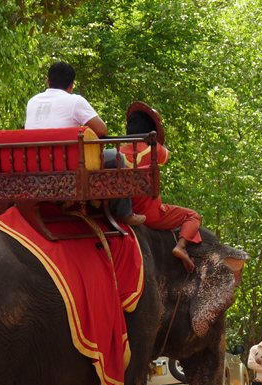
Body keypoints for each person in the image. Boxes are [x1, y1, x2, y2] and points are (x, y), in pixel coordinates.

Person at [25, 61, 145, 227]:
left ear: (48, 81)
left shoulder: (33, 101)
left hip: (33, 163)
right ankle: (124, 213)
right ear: (71, 85)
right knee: (117, 157)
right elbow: (102, 129)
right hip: (67, 165)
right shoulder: (74, 101)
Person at [111, 102, 203, 273]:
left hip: (121, 208)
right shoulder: (154, 150)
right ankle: (181, 246)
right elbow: (166, 156)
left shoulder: (116, 152)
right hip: (150, 214)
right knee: (192, 215)